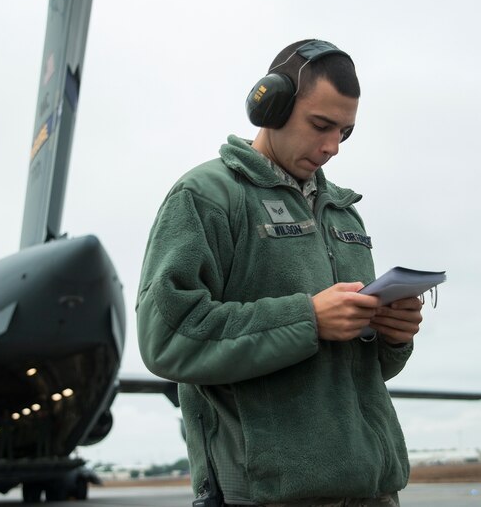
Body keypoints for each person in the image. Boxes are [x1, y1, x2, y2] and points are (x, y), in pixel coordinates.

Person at [136, 39, 423, 507]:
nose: (332, 147)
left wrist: (393, 336)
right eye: (321, 126)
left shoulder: (343, 212)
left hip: (374, 491)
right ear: (270, 106)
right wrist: (308, 319)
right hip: (266, 493)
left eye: (345, 132)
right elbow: (166, 338)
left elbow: (368, 371)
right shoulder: (206, 197)